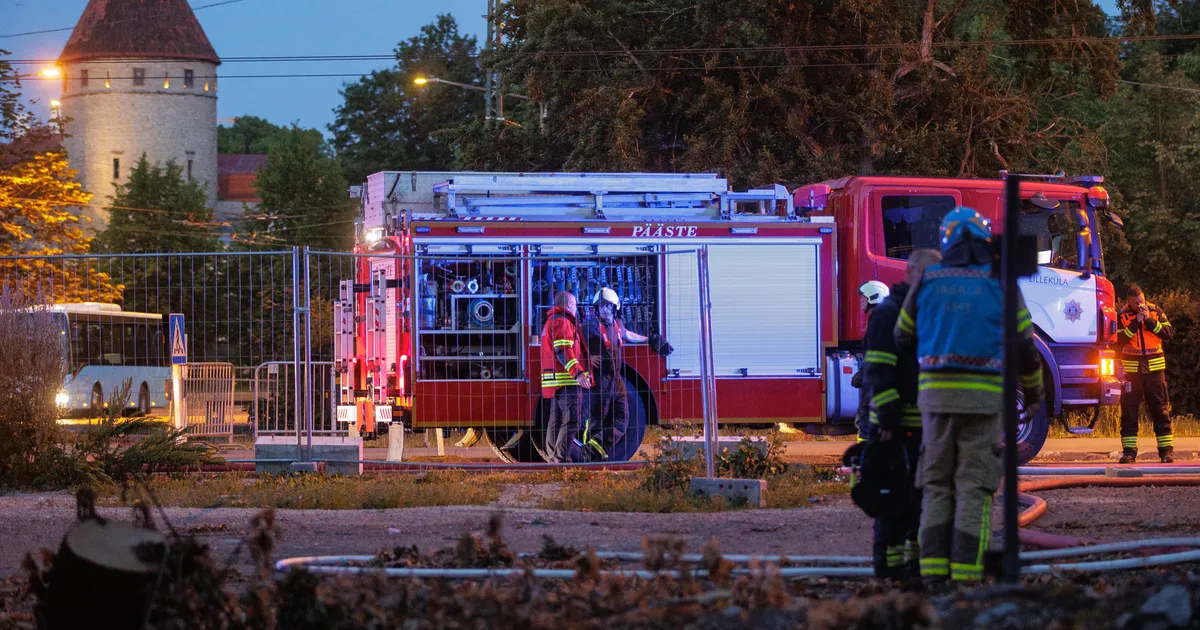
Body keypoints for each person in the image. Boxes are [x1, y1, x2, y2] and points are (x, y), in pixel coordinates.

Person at [895, 207, 1044, 584]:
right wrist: (1034, 391)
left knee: (936, 485)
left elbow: (901, 336)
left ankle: (932, 577)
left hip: (935, 403)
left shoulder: (928, 280)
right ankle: (965, 577)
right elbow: (1027, 348)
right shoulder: (1001, 284)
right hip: (983, 404)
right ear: (982, 241)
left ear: (946, 242)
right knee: (974, 487)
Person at [863, 249, 942, 580]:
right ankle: (888, 573)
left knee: (918, 504)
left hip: (922, 428)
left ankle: (910, 572)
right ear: (909, 273)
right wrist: (889, 420)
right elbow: (879, 372)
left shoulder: (924, 314)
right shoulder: (887, 315)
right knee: (892, 502)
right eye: (927, 277)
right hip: (892, 430)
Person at [581, 287, 673, 460]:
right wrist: (585, 359)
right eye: (601, 307)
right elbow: (573, 344)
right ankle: (587, 460)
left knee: (622, 419)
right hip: (598, 382)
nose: (605, 310)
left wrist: (650, 339)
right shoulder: (589, 326)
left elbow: (628, 335)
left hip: (616, 380)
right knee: (595, 422)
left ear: (616, 308)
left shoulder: (618, 325)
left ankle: (592, 453)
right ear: (596, 309)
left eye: (608, 306)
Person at [1117, 285, 1175, 463]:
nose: (1140, 304)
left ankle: (1166, 452)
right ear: (1129, 302)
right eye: (1136, 303)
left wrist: (1148, 320)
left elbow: (1168, 333)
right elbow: (1118, 340)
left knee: (1160, 410)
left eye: (1141, 301)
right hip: (1131, 372)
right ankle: (1129, 453)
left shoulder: (1155, 311)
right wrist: (1136, 322)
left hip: (1154, 370)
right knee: (1129, 412)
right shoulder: (1122, 315)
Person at [540, 291, 592, 462]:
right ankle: (560, 460)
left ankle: (553, 458)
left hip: (556, 382)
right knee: (572, 421)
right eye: (575, 305)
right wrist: (577, 373)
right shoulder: (562, 321)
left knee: (555, 421)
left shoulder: (552, 320)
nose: (577, 309)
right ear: (569, 304)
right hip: (567, 380)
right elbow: (563, 350)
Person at [853, 280, 890, 443]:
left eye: (864, 298)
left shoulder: (879, 321)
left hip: (875, 379)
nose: (861, 301)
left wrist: (863, 375)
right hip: (874, 377)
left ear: (874, 297)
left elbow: (876, 353)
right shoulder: (880, 319)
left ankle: (864, 456)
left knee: (866, 418)